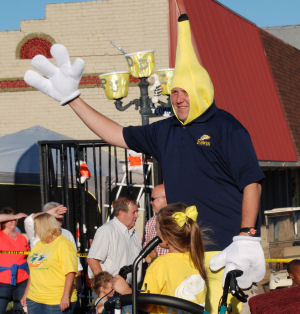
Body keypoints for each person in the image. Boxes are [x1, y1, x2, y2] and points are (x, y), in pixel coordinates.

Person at [24, 0, 266, 312]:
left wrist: (246, 237)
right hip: (183, 254)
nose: (177, 97)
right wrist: (73, 99)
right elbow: (115, 134)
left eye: (184, 90)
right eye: (174, 91)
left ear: (202, 88)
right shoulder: (165, 130)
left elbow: (252, 183)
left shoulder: (228, 128)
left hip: (228, 251)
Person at [114, 202, 207, 313]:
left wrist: (126, 291)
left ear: (166, 236)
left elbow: (147, 306)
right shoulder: (198, 259)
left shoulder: (160, 264)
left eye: (156, 230)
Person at [21, 213, 78, 313]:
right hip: (34, 299)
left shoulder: (64, 244)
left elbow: (70, 272)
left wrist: (65, 296)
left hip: (55, 300)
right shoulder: (39, 244)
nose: (35, 230)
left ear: (44, 227)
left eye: (37, 227)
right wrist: (26, 293)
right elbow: (33, 271)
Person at [87, 197, 141, 284]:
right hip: (112, 292)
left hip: (131, 291)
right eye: (134, 212)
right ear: (121, 213)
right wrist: (106, 286)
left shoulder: (134, 234)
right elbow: (92, 260)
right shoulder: (106, 230)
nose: (137, 215)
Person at [24, 201, 83, 272]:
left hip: (61, 277)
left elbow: (75, 258)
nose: (59, 220)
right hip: (40, 277)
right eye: (55, 217)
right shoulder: (37, 232)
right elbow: (28, 221)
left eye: (61, 217)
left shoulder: (67, 233)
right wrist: (48, 213)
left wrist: (78, 273)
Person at [0, 208, 29, 313]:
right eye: (10, 219)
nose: (13, 222)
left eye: (15, 220)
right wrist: (16, 216)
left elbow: (27, 258)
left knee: (20, 309)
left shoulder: (22, 237)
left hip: (22, 280)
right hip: (2, 281)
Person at [143, 184, 168, 263]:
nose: (150, 202)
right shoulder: (150, 222)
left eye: (153, 199)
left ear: (165, 199)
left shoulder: (179, 220)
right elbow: (145, 247)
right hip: (155, 271)